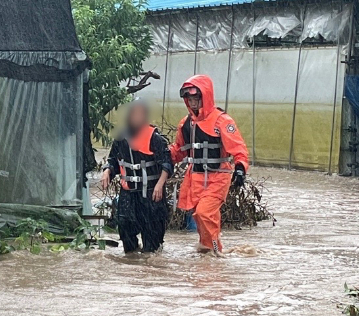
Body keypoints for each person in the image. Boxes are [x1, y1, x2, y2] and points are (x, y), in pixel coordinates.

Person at [169, 74, 249, 256]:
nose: (193, 102)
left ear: (205, 96)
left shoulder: (222, 121)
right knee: (199, 216)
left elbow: (238, 149)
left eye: (196, 98)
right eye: (190, 99)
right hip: (194, 179)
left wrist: (240, 169)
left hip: (218, 177)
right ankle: (207, 254)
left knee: (205, 213)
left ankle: (216, 252)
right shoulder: (185, 124)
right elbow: (179, 150)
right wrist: (160, 156)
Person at [101, 99, 173, 253]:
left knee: (151, 246)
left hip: (151, 195)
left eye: (141, 114)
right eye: (134, 113)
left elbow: (167, 164)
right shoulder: (121, 138)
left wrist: (160, 185)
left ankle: (150, 266)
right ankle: (131, 265)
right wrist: (107, 170)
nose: (137, 117)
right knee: (126, 232)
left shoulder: (155, 138)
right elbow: (113, 160)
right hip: (128, 195)